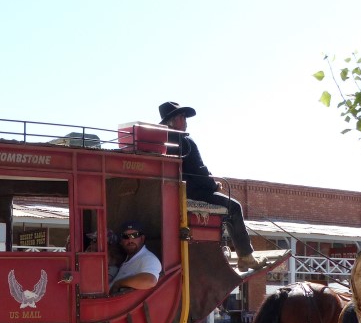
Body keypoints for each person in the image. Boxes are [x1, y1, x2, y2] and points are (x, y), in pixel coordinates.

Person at [158, 101, 260, 272]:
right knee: (234, 206)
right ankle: (245, 257)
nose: (186, 121)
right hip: (194, 193)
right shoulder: (185, 141)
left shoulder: (162, 143)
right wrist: (214, 186)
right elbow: (200, 171)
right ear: (176, 120)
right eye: (183, 117)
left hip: (173, 193)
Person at [109, 221, 161, 293]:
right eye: (125, 236)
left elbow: (150, 281)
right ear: (121, 241)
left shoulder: (148, 258)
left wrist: (118, 283)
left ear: (142, 238)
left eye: (134, 235)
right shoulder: (128, 258)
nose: (130, 240)